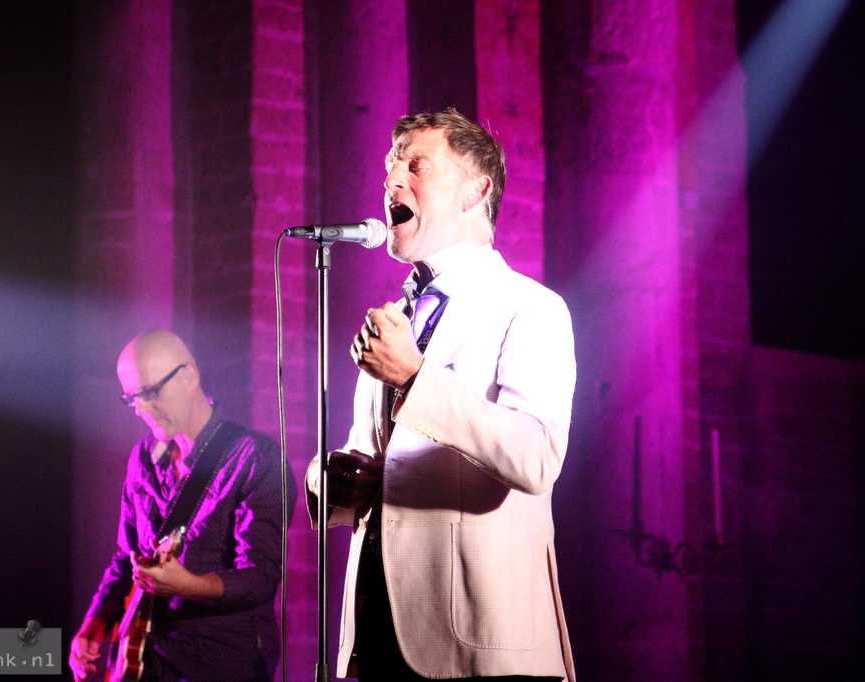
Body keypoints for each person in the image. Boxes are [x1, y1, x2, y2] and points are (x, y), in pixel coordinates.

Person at [307, 109, 577, 681]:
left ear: (476, 190)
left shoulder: (530, 307)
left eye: (415, 164)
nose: (391, 179)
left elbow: (535, 458)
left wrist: (414, 378)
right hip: (379, 636)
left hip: (480, 647)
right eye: (388, 168)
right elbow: (373, 455)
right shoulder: (397, 318)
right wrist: (332, 479)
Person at [71, 329, 295, 682]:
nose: (140, 410)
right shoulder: (142, 457)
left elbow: (260, 579)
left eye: (149, 393)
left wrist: (186, 585)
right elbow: (125, 558)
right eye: (131, 398)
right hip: (142, 660)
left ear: (189, 374)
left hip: (218, 663)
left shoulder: (256, 458)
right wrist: (96, 621)